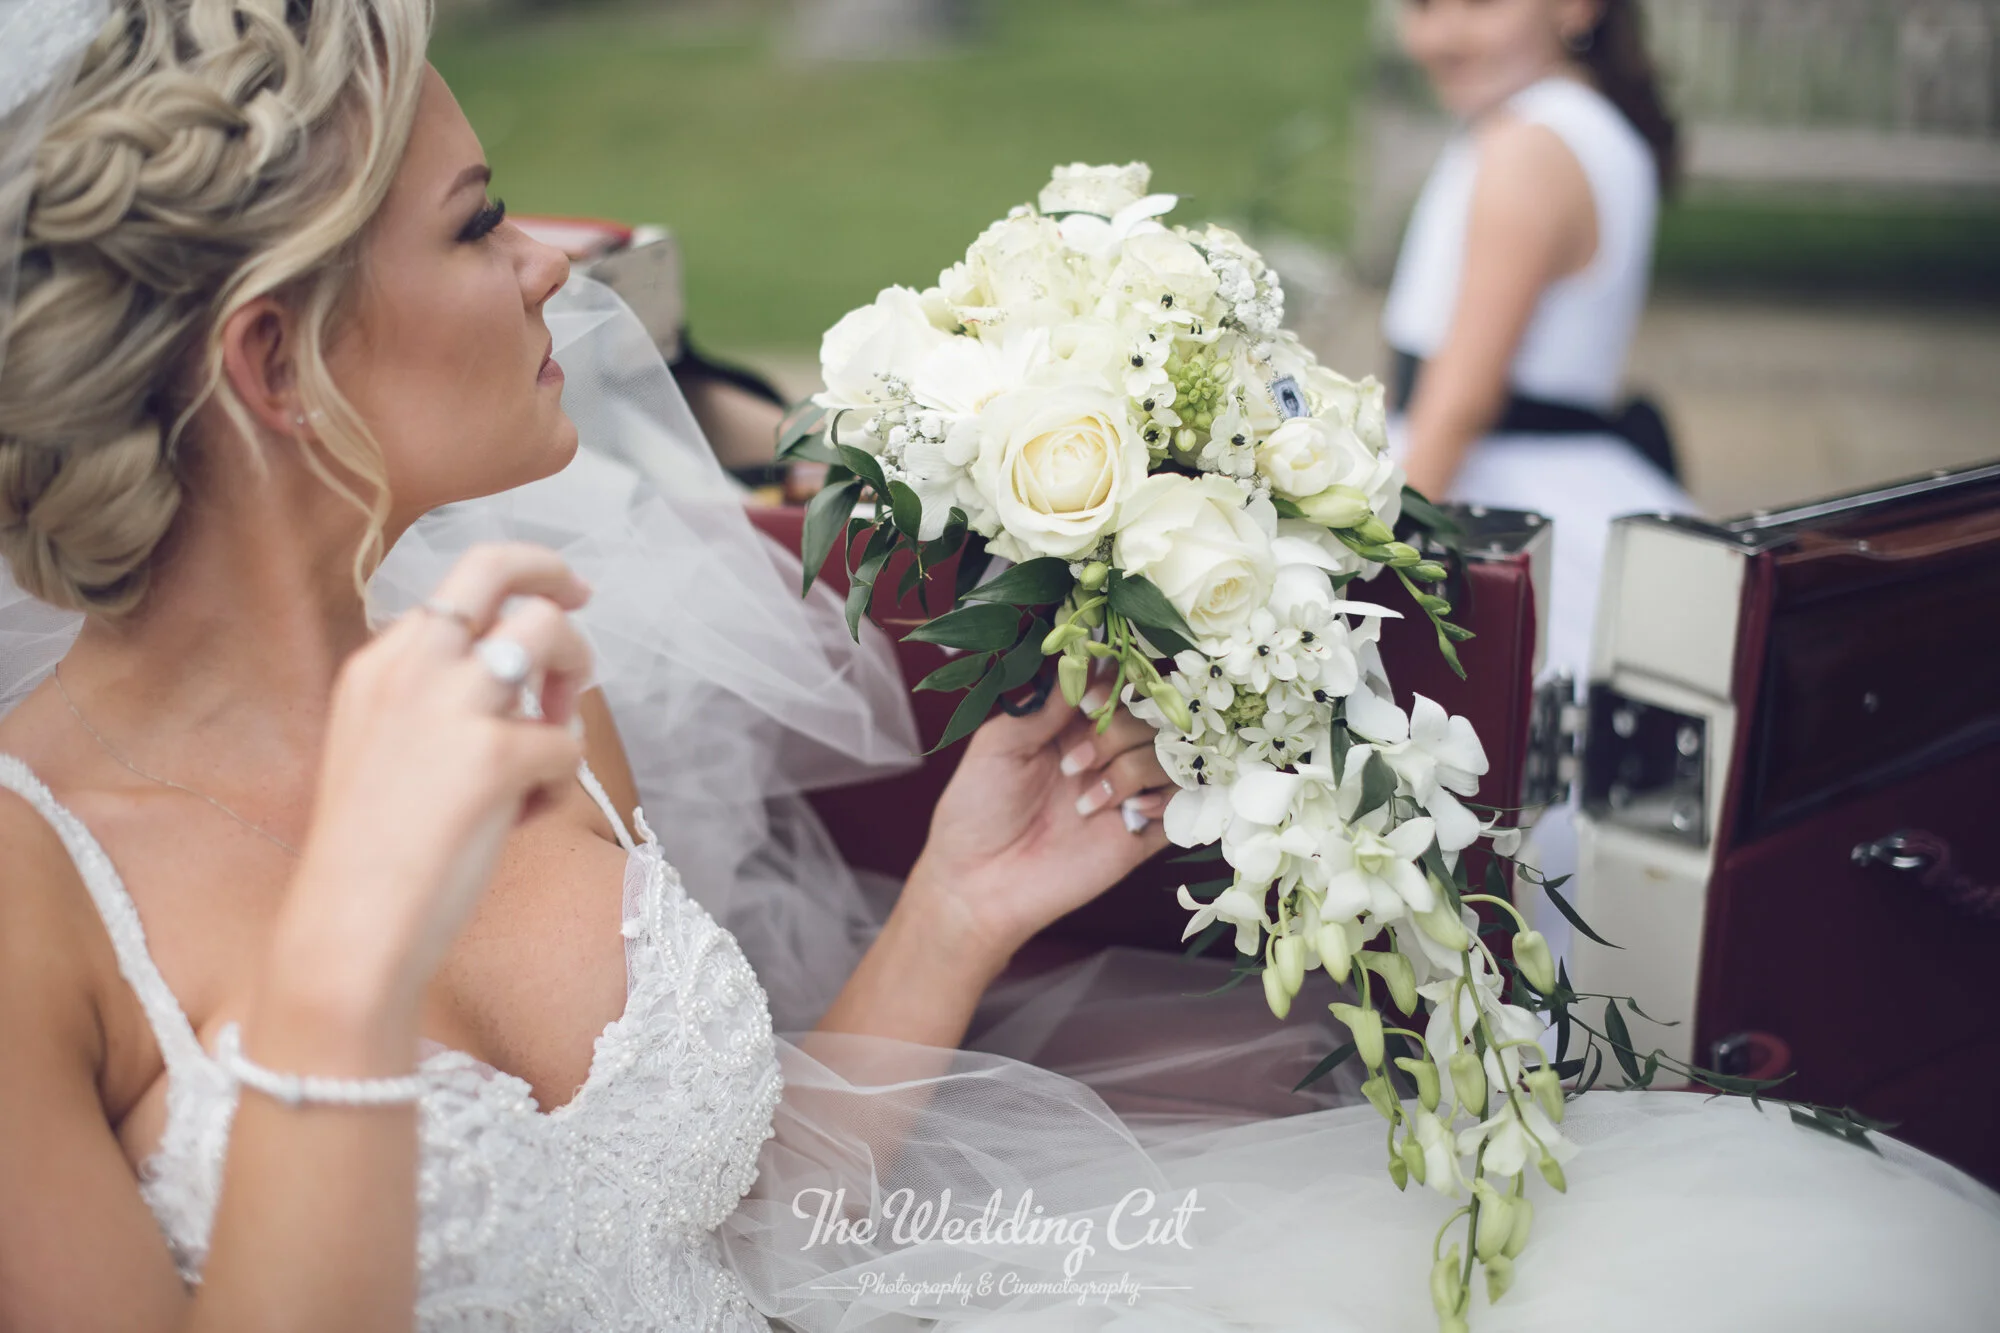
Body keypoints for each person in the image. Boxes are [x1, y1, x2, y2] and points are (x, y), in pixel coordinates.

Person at [1, 3, 1996, 1331]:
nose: (562, 258)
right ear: (274, 360)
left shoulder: (522, 693)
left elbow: (717, 1229)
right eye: (481, 225)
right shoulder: (32, 895)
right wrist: (345, 962)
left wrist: (956, 905)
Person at [1384, 0, 1694, 682]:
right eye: (1424, 6)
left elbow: (1460, 401)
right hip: (1569, 475)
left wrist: (1374, 559)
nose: (1443, 35)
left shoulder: (1527, 147)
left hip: (1492, 490)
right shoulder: (1581, 124)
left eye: (1480, 4)